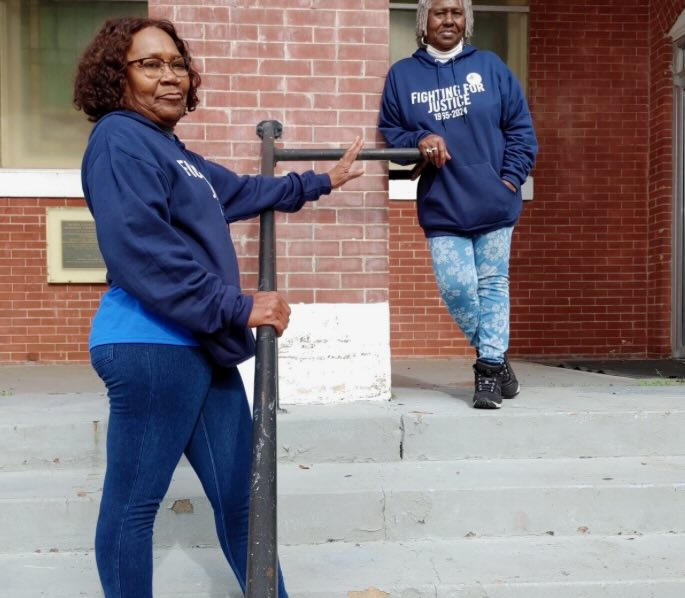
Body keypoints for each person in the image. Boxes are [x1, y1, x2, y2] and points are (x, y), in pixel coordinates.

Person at [73, 16, 363, 598]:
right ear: (116, 76)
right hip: (151, 345)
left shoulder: (171, 151)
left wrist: (319, 182)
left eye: (177, 64)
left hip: (199, 346)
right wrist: (236, 305)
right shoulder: (117, 139)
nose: (170, 76)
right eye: (150, 64)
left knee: (242, 498)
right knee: (133, 506)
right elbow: (140, 251)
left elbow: (238, 191)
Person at [378, 0, 537, 409]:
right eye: (439, 12)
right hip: (442, 202)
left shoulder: (491, 67)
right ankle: (497, 357)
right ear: (422, 20)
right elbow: (390, 135)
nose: (448, 20)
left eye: (456, 12)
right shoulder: (403, 75)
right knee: (456, 287)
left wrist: (508, 180)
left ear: (466, 20)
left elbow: (520, 129)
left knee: (492, 285)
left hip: (494, 201)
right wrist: (418, 139)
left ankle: (487, 372)